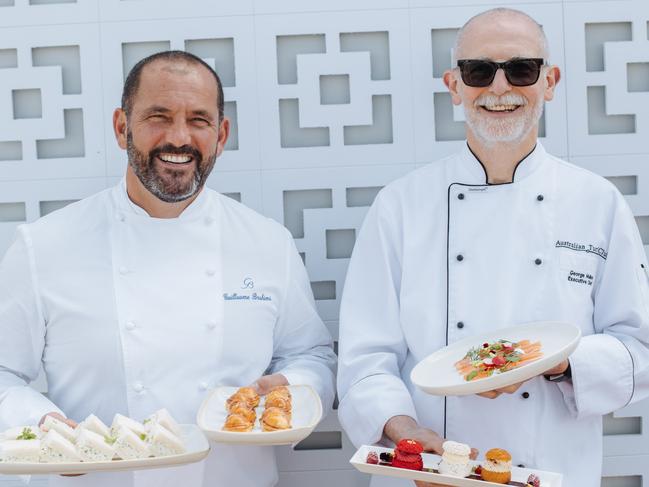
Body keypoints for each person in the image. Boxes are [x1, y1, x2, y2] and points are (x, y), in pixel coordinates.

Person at [336, 8, 649, 487]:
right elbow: (365, 359)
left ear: (549, 81)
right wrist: (405, 433)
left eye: (521, 69)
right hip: (427, 474)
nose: (499, 88)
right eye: (479, 70)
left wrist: (559, 362)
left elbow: (639, 350)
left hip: (552, 469)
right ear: (455, 86)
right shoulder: (399, 205)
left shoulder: (598, 202)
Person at [0, 50, 336, 487]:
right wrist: (41, 422)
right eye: (158, 116)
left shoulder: (268, 242)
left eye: (199, 120)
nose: (178, 138)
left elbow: (311, 354)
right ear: (122, 128)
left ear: (221, 134)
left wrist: (289, 387)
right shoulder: (43, 246)